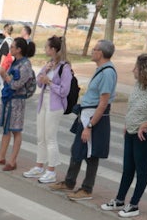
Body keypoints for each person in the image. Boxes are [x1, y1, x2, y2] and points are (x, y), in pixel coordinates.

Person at [100, 53, 147, 216]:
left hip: (145, 136)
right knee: (128, 168)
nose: (133, 70)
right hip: (131, 132)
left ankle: (134, 205)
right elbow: (133, 107)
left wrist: (144, 125)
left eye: (136, 67)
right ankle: (119, 200)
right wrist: (127, 124)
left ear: (145, 70)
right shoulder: (139, 85)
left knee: (141, 170)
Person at [50, 40, 119, 197]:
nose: (91, 51)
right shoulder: (101, 69)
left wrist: (89, 126)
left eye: (94, 49)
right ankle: (69, 181)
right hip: (87, 114)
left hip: (94, 117)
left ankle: (87, 189)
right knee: (77, 150)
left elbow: (103, 103)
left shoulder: (107, 73)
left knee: (91, 154)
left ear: (100, 53)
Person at [27, 35, 72, 182]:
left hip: (55, 105)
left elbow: (64, 91)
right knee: (41, 136)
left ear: (53, 49)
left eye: (47, 47)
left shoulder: (65, 67)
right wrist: (44, 73)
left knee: (50, 138)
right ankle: (39, 166)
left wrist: (50, 82)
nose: (45, 49)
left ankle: (51, 171)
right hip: (43, 103)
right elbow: (39, 83)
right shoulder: (49, 63)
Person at [0, 37, 36, 172]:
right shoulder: (16, 62)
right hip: (9, 99)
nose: (11, 49)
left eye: (13, 47)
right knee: (6, 129)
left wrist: (4, 75)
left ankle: (12, 160)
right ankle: (1, 157)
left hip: (17, 101)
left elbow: (17, 84)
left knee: (16, 130)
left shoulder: (25, 65)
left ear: (19, 49)